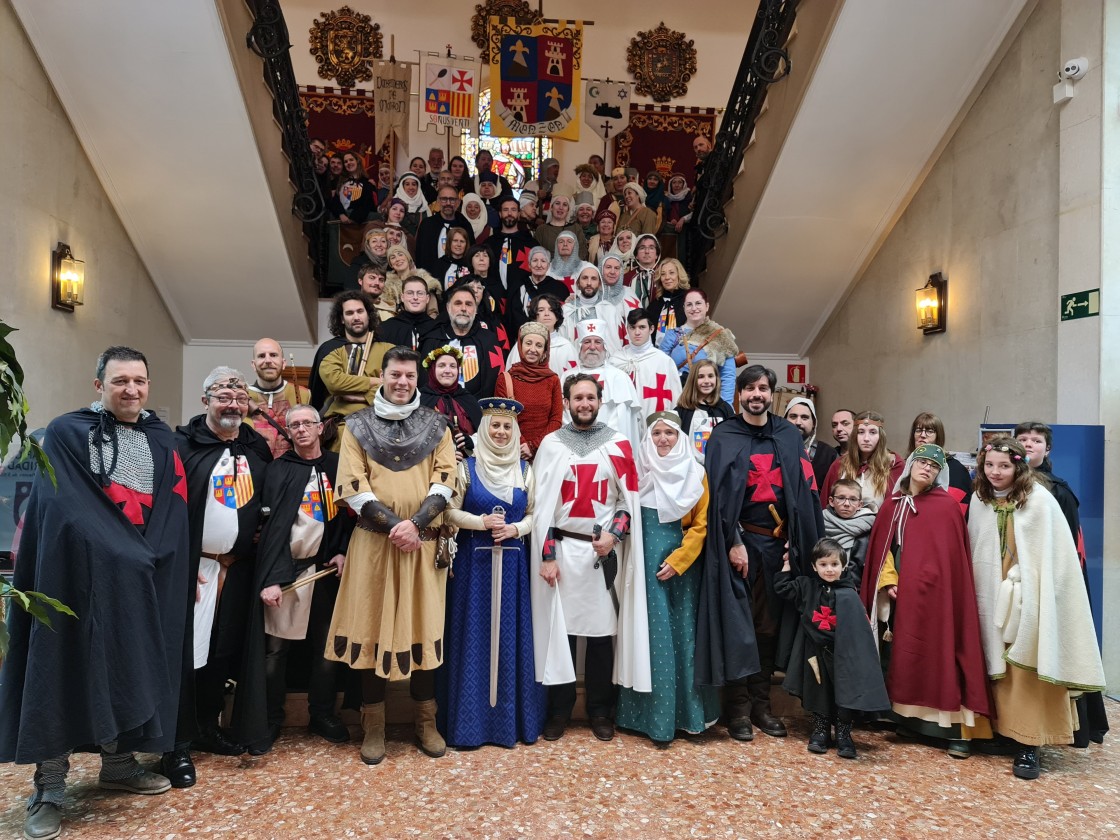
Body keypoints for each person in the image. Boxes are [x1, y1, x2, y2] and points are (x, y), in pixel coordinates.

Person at [0, 347, 190, 840]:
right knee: (61, 667)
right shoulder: (67, 431)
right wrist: (121, 551)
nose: (131, 389)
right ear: (98, 384)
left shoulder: (161, 439)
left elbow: (172, 508)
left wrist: (152, 558)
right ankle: (49, 785)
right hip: (76, 576)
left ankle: (119, 764)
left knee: (129, 665)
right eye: (121, 380)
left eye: (140, 381)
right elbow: (66, 508)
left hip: (140, 576)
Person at [325, 346, 457, 764]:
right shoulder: (357, 426)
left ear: (418, 379)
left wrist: (414, 525)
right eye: (395, 375)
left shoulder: (437, 425)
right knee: (370, 627)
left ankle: (425, 722)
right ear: (381, 377)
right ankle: (374, 725)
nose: (402, 383)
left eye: (410, 376)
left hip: (421, 544)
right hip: (374, 545)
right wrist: (397, 527)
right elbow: (352, 485)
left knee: (423, 624)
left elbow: (446, 478)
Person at [695, 365, 824, 742]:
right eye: (750, 388)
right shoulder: (724, 436)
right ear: (740, 394)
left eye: (763, 388)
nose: (756, 394)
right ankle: (736, 711)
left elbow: (804, 494)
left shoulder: (787, 435)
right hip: (738, 544)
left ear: (771, 394)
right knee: (740, 627)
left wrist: (798, 542)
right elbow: (717, 498)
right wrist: (733, 540)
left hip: (778, 547)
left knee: (768, 628)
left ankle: (761, 706)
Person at [968, 437, 1106, 779]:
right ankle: (1004, 733)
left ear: (1019, 466)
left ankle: (1030, 744)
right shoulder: (979, 499)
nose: (996, 472)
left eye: (1004, 466)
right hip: (990, 596)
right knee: (996, 665)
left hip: (1029, 597)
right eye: (990, 465)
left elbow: (1055, 558)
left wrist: (1030, 586)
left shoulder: (1040, 500)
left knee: (1027, 667)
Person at [530, 375, 650, 742]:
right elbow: (541, 509)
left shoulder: (618, 444)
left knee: (601, 638)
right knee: (559, 636)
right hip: (563, 551)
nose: (584, 403)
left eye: (590, 397)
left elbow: (626, 502)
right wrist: (547, 556)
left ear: (600, 400)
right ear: (566, 402)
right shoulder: (551, 445)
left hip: (601, 553)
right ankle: (559, 711)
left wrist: (614, 534)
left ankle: (601, 711)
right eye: (577, 398)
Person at [172, 368, 272, 784]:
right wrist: (180, 565)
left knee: (222, 652)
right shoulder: (182, 445)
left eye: (238, 397)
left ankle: (209, 728)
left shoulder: (256, 447)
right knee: (185, 656)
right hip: (195, 570)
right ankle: (175, 744)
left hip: (238, 569)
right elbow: (168, 513)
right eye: (221, 397)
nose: (232, 404)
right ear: (205, 402)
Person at [233, 405, 353, 755]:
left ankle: (322, 714)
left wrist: (343, 550)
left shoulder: (336, 466)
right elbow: (270, 530)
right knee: (275, 651)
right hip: (286, 571)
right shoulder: (277, 471)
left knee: (326, 650)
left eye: (307, 424)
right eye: (294, 425)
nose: (301, 430)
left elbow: (349, 519)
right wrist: (272, 576)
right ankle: (271, 717)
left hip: (326, 572)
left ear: (320, 428)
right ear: (288, 433)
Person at [860, 443, 992, 758]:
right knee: (905, 654)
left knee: (944, 651)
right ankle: (909, 720)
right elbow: (882, 550)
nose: (927, 469)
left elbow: (952, 561)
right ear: (911, 466)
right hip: (900, 593)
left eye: (934, 466)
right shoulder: (893, 504)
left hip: (939, 596)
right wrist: (890, 580)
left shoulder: (946, 507)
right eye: (922, 462)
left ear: (939, 473)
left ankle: (953, 729)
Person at [440, 398, 546, 747]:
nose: (501, 432)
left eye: (506, 427)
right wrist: (481, 522)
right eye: (495, 426)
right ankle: (469, 725)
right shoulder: (466, 467)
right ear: (484, 429)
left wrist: (516, 530)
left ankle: (509, 725)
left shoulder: (526, 470)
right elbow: (449, 512)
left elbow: (535, 516)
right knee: (472, 637)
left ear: (515, 432)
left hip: (514, 567)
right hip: (473, 567)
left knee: (512, 638)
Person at [615, 413, 720, 747]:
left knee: (682, 637)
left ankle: (687, 716)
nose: (662, 439)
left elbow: (701, 526)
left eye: (669, 433)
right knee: (649, 639)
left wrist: (679, 561)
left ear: (680, 437)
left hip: (680, 570)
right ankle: (646, 718)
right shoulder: (638, 475)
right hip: (645, 569)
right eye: (656, 433)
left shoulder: (696, 473)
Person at [1013, 420, 1108, 747]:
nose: (1028, 444)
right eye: (1022, 439)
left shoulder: (1058, 490)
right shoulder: (1000, 486)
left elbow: (1069, 547)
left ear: (1047, 448)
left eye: (1035, 440)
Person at [774, 538, 889, 759]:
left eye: (834, 564)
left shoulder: (849, 593)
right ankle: (821, 731)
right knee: (819, 691)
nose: (829, 569)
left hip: (842, 655)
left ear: (843, 566)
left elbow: (856, 630)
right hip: (815, 652)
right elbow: (782, 588)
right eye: (824, 564)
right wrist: (787, 565)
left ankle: (844, 734)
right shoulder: (807, 586)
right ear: (814, 566)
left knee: (843, 691)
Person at [318, 292, 394, 444]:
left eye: (360, 311)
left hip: (380, 431)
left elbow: (394, 386)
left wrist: (359, 396)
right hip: (341, 431)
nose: (356, 317)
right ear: (341, 319)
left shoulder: (388, 350)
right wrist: (374, 381)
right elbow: (334, 382)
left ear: (368, 315)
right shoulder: (331, 350)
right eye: (349, 313)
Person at [562, 319, 642, 447]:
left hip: (610, 445)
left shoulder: (619, 377)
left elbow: (622, 421)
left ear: (604, 347)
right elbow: (564, 415)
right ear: (580, 347)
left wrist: (600, 442)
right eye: (587, 342)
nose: (592, 347)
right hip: (573, 444)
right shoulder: (567, 377)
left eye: (597, 342)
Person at [420, 286, 505, 399]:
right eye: (458, 303)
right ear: (448, 307)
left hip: (479, 410)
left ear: (475, 310)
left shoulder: (489, 340)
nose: (463, 308)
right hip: (438, 410)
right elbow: (424, 380)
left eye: (469, 304)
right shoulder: (432, 339)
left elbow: (496, 381)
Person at [495, 322, 563, 462]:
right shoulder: (505, 379)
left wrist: (533, 446)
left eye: (539, 345)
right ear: (520, 345)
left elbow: (556, 420)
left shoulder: (553, 380)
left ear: (545, 351)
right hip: (512, 453)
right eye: (528, 343)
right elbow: (504, 418)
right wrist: (521, 445)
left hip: (546, 453)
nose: (533, 349)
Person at [660, 289, 739, 404]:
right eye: (689, 304)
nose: (693, 308)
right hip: (676, 399)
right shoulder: (673, 334)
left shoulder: (722, 336)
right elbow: (661, 369)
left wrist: (726, 409)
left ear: (707, 306)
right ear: (684, 308)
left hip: (707, 401)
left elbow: (727, 376)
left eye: (698, 303)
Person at [820, 411, 905, 511]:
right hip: (838, 525)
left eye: (872, 432)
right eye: (861, 432)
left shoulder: (893, 465)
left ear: (880, 436)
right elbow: (824, 505)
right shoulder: (840, 464)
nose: (866, 438)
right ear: (854, 436)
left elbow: (893, 510)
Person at [610, 309, 683, 423]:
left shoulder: (664, 362)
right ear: (627, 329)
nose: (637, 332)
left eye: (642, 327)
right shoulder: (615, 360)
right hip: (623, 421)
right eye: (632, 327)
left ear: (651, 329)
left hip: (654, 424)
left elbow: (676, 400)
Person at [245, 337, 310, 459]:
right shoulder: (240, 397)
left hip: (294, 470)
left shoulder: (305, 394)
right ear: (253, 365)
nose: (268, 360)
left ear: (284, 363)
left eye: (273, 355)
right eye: (261, 356)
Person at [418, 345, 481, 460]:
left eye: (453, 366)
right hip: (433, 465)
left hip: (469, 465)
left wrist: (472, 441)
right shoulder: (420, 400)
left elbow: (486, 433)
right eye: (442, 366)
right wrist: (445, 455)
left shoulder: (468, 399)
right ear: (432, 370)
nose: (448, 371)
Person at [674, 359, 735, 462]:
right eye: (701, 377)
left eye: (710, 376)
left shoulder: (725, 409)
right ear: (693, 380)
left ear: (716, 379)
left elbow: (733, 442)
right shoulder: (682, 410)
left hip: (719, 470)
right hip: (691, 470)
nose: (706, 381)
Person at [907, 411, 971, 510]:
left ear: (938, 436)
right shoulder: (907, 465)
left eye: (929, 431)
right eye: (918, 430)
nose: (922, 435)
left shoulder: (956, 469)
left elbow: (958, 510)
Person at [506, 292, 578, 378]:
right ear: (534, 316)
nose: (546, 314)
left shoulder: (566, 347)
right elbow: (510, 377)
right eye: (541, 310)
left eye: (551, 310)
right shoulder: (522, 344)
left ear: (557, 316)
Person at [821, 477, 875, 582]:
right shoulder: (820, 522)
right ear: (831, 501)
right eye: (841, 498)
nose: (846, 504)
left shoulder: (867, 528)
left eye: (853, 499)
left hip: (852, 586)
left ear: (860, 505)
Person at [415, 185, 474, 275]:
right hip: (430, 278)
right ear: (438, 201)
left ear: (458, 202)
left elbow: (470, 254)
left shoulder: (465, 225)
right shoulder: (427, 225)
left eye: (452, 199)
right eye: (444, 199)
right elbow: (420, 254)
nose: (448, 203)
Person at [784, 396, 838, 490]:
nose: (798, 422)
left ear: (814, 423)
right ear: (784, 421)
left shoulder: (829, 455)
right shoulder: (772, 449)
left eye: (804, 417)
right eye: (793, 416)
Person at [562, 264, 619, 352]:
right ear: (578, 282)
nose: (589, 283)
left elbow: (615, 344)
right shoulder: (567, 310)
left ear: (599, 283)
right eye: (585, 278)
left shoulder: (609, 310)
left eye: (593, 278)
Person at [513, 246, 569, 328]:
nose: (539, 265)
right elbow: (514, 315)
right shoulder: (518, 286)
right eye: (535, 261)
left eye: (543, 261)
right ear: (529, 264)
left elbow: (561, 315)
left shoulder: (559, 288)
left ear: (548, 265)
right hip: (525, 333)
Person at [379, 275, 438, 350]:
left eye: (420, 293)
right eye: (410, 293)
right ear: (402, 298)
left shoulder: (437, 329)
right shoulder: (386, 328)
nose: (415, 297)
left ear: (427, 298)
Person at [385, 245, 442, 318]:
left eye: (400, 254)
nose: (397, 259)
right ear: (391, 264)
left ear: (408, 258)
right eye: (393, 257)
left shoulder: (426, 280)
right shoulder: (388, 286)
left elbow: (432, 311)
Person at [649, 258, 689, 347]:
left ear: (679, 275)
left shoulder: (689, 300)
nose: (667, 277)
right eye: (663, 274)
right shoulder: (654, 305)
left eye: (671, 273)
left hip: (682, 355)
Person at [329, 151, 376, 224]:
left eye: (351, 160)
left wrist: (353, 219)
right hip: (339, 220)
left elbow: (367, 204)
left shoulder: (367, 183)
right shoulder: (340, 181)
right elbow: (335, 200)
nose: (348, 163)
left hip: (358, 223)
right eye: (345, 161)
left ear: (357, 161)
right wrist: (341, 214)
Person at [534, 194, 586, 259]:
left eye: (565, 205)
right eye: (557, 203)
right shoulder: (542, 230)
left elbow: (582, 252)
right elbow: (537, 253)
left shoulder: (576, 228)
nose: (561, 207)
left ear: (568, 211)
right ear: (551, 208)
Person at [623, 233, 661, 308]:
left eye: (651, 248)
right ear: (636, 255)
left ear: (657, 254)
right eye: (642, 248)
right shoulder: (626, 279)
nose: (647, 251)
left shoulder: (664, 275)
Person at [432, 226, 473, 292]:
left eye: (462, 241)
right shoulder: (439, 264)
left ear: (466, 244)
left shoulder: (470, 264)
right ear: (449, 243)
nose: (458, 244)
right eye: (455, 241)